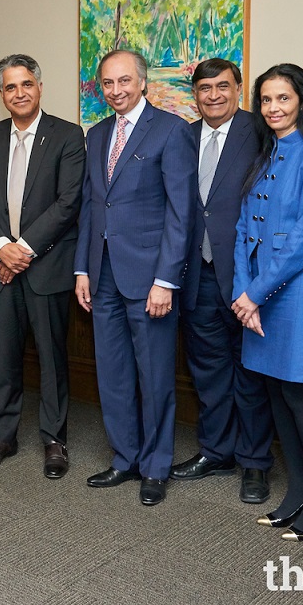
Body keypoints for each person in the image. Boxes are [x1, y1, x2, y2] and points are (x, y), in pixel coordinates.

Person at [73, 49, 195, 506]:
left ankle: (156, 466)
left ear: (142, 82)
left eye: (124, 81)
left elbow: (181, 213)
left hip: (149, 279)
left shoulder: (172, 130)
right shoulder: (97, 133)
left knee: (155, 376)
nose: (116, 90)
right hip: (102, 274)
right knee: (113, 373)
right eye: (107, 83)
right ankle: (124, 457)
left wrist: (166, 280)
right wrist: (82, 269)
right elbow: (91, 206)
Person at [230, 64, 303, 542]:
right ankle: (297, 491)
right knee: (274, 392)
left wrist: (254, 294)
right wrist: (242, 292)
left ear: (302, 101)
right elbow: (242, 229)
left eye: (283, 98)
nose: (273, 108)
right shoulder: (264, 153)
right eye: (266, 100)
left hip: (298, 289)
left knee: (298, 395)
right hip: (256, 292)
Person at [0, 54, 84, 478]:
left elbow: (68, 203)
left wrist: (23, 251)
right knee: (5, 356)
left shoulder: (68, 135)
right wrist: (2, 248)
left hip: (46, 267)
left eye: (27, 84)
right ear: (1, 94)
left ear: (39, 87)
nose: (20, 93)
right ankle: (4, 435)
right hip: (0, 265)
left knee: (51, 358)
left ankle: (54, 438)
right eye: (11, 87)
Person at [172, 59, 275, 504]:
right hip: (196, 274)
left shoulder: (261, 131)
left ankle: (255, 463)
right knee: (208, 370)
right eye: (204, 88)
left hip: (247, 276)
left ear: (238, 89)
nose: (213, 95)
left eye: (222, 86)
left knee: (250, 372)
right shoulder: (183, 136)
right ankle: (216, 452)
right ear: (194, 94)